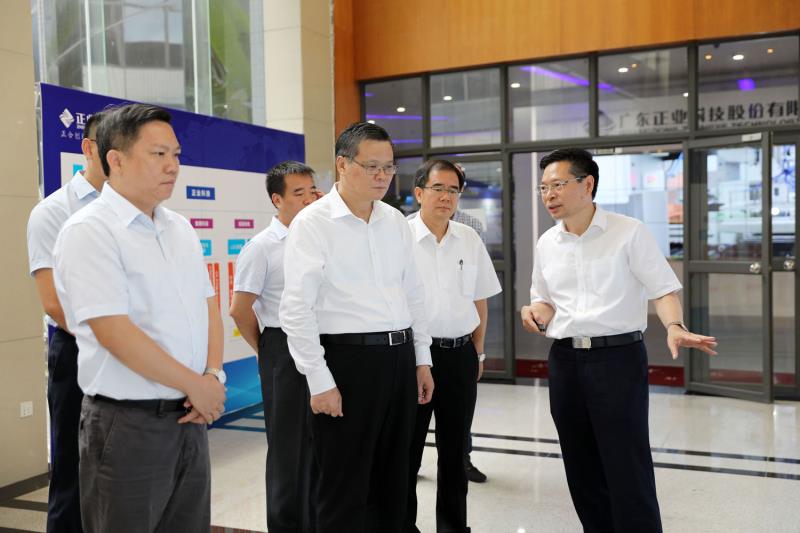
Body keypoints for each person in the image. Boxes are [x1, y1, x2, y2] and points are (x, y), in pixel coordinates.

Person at [520, 148, 717, 533]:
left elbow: (662, 289)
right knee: (580, 464)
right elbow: (544, 299)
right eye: (543, 188)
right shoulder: (547, 243)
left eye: (557, 185)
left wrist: (674, 325)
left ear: (587, 184)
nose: (549, 195)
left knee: (626, 463)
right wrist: (535, 312)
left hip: (617, 359)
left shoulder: (629, 231)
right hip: (565, 360)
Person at [52, 103, 227, 533]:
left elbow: (207, 306)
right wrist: (195, 385)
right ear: (116, 159)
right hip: (127, 424)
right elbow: (114, 332)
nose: (173, 165)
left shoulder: (179, 228)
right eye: (158, 154)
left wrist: (212, 375)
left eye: (176, 154)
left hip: (189, 417)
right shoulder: (90, 231)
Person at [280, 122, 434, 533]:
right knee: (344, 486)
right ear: (342, 165)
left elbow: (414, 294)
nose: (382, 175)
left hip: (399, 359)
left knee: (396, 480)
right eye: (372, 166)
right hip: (347, 363)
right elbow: (296, 309)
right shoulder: (313, 223)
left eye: (389, 167)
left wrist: (422, 359)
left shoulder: (395, 221)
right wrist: (319, 380)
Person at [405, 159, 500, 533]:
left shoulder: (468, 238)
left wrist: (478, 351)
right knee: (407, 450)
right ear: (419, 193)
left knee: (455, 450)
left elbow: (479, 299)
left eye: (453, 190)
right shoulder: (399, 237)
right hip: (413, 359)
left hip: (460, 355)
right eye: (438, 188)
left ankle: (453, 527)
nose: (446, 197)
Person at [26, 109, 108, 533]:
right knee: (73, 471)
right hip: (78, 349)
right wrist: (115, 342)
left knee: (117, 472)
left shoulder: (137, 209)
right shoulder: (53, 211)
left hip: (128, 350)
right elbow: (54, 302)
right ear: (89, 148)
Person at [230, 161, 320, 533]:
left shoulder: (320, 238)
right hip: (282, 347)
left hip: (322, 344)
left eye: (312, 191)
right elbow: (240, 309)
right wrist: (267, 350)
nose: (309, 199)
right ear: (277, 199)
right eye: (298, 193)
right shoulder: (262, 247)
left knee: (320, 445)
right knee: (288, 449)